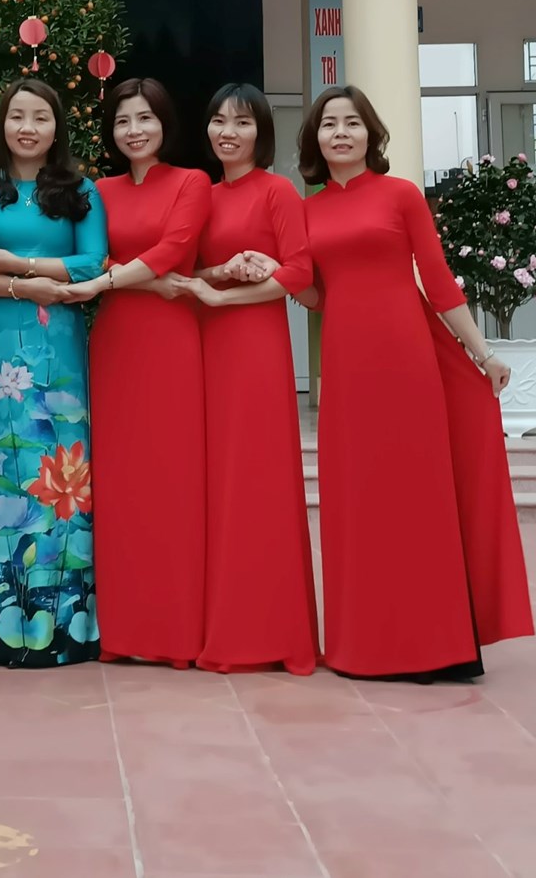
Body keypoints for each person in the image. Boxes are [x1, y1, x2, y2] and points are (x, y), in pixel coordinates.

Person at [289, 85, 533, 681]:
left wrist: (482, 353)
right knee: (358, 496)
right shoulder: (306, 210)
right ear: (315, 139)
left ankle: (437, 644)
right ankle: (365, 644)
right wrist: (274, 271)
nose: (340, 132)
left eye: (352, 122)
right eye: (329, 124)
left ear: (371, 134)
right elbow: (315, 293)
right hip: (346, 363)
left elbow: (439, 280)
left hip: (407, 357)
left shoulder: (401, 195)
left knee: (417, 493)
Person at [0, 79, 107, 668]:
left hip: (58, 345)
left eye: (41, 117)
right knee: (2, 464)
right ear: (3, 124)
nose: (28, 128)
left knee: (64, 464)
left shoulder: (80, 190)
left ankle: (69, 627)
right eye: (18, 116)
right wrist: (24, 287)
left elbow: (94, 262)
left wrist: (20, 264)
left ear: (57, 126)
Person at [167, 84, 319, 675]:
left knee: (255, 478)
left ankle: (264, 631)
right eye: (219, 121)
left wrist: (229, 292)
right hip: (201, 348)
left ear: (262, 133)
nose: (228, 132)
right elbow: (186, 271)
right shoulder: (199, 194)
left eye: (242, 122)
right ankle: (212, 622)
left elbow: (300, 273)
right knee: (210, 482)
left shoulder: (278, 191)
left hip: (255, 351)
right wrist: (221, 272)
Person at [63, 78, 210, 666]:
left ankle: (176, 631)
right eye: (123, 121)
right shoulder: (100, 191)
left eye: (145, 118)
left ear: (164, 123)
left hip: (171, 345)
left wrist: (109, 280)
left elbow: (175, 251)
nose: (134, 130)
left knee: (173, 480)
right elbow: (96, 259)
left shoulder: (191, 183)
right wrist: (126, 279)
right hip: (116, 342)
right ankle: (121, 631)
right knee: (119, 484)